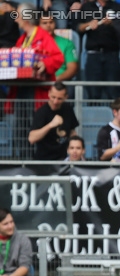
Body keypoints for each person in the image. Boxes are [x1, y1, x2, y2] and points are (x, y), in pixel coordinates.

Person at [8, 2, 64, 159]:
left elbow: (58, 58)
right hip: (22, 90)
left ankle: (35, 162)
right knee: (20, 128)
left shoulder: (43, 36)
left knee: (34, 127)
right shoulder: (22, 39)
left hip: (36, 92)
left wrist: (44, 64)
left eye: (17, 15)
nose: (15, 19)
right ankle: (23, 162)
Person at [76, 0, 120, 100]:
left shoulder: (118, 8)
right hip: (93, 55)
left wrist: (113, 24)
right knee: (93, 94)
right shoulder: (87, 7)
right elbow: (78, 27)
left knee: (114, 94)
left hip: (112, 55)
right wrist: (88, 24)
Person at [28, 82, 79, 161]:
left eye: (59, 98)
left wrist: (77, 151)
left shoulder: (68, 109)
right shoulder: (42, 112)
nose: (55, 101)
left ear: (66, 97)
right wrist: (50, 125)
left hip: (63, 159)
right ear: (49, 94)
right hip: (43, 160)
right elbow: (32, 138)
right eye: (53, 97)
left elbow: (72, 132)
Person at [40, 12, 79, 83]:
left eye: (51, 22)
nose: (48, 25)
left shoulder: (67, 43)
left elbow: (73, 68)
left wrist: (55, 80)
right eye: (45, 23)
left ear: (55, 24)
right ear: (38, 26)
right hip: (39, 83)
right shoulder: (34, 43)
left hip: (60, 82)